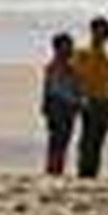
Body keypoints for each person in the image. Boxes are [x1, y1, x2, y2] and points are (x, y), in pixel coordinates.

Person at [70, 15, 108, 178]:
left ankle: (92, 172)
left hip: (104, 103)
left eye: (105, 32)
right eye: (98, 31)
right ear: (92, 32)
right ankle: (84, 171)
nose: (102, 36)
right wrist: (79, 98)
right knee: (87, 140)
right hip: (89, 101)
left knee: (98, 141)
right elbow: (74, 78)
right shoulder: (82, 54)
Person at [40, 32, 81, 176]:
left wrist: (77, 103)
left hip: (68, 107)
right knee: (57, 141)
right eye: (67, 46)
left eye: (70, 46)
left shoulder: (72, 68)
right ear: (57, 49)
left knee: (63, 141)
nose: (70, 49)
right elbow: (48, 90)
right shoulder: (53, 67)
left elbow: (76, 88)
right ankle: (52, 169)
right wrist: (45, 108)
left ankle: (57, 169)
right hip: (58, 106)